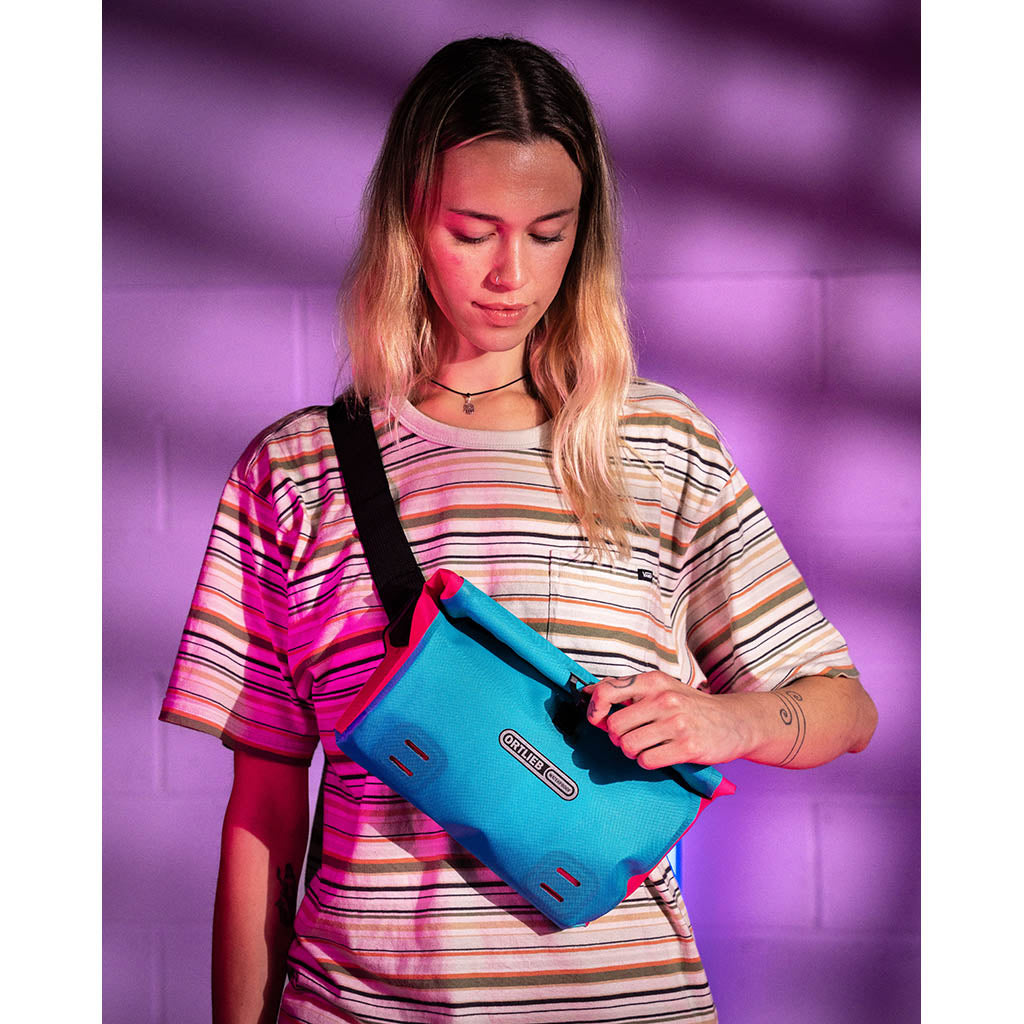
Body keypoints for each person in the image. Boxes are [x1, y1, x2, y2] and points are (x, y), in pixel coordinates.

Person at [160, 35, 877, 1024]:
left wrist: (729, 721)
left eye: (548, 233)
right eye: (472, 230)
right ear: (407, 219)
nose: (511, 273)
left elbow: (846, 708)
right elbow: (264, 812)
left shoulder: (659, 445)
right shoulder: (293, 472)